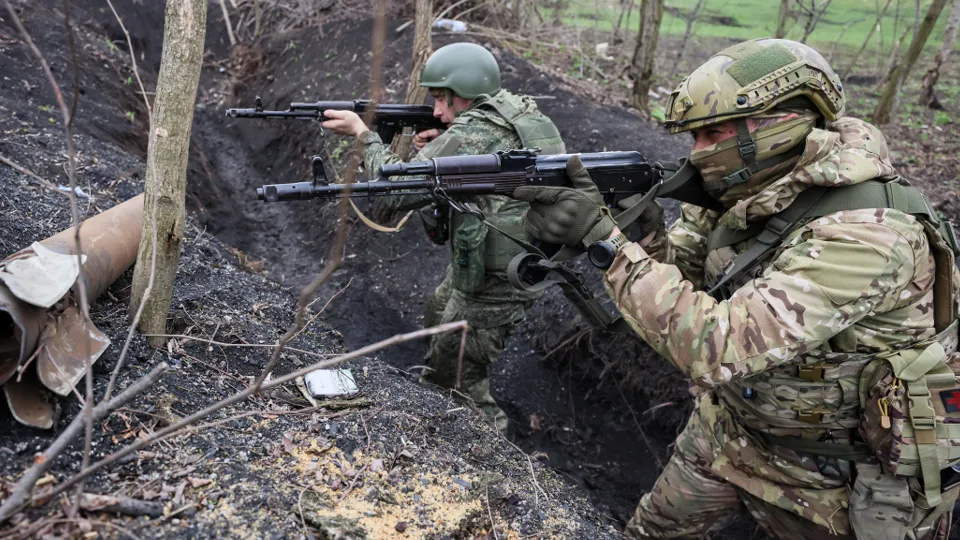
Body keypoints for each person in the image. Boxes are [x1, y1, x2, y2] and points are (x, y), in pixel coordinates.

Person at [513, 38, 960, 539]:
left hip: (839, 478)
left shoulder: (869, 233)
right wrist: (638, 231)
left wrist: (607, 244)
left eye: (713, 134)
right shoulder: (745, 191)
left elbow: (717, 342)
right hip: (730, 432)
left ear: (779, 123)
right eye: (693, 137)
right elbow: (683, 278)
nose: (698, 153)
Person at [321, 42, 565, 432]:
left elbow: (397, 190)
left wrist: (362, 134)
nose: (436, 111)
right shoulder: (513, 111)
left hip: (500, 276)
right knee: (438, 311)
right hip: (505, 258)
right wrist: (437, 150)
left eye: (441, 99)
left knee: (457, 381)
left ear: (465, 91)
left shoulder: (476, 131)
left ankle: (488, 453)